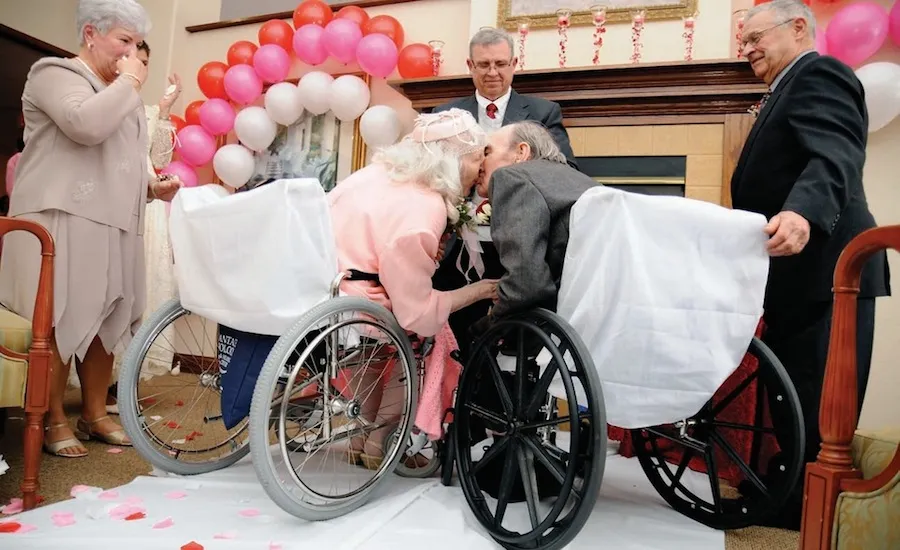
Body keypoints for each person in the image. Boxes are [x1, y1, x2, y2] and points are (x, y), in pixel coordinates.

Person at [732, 0, 890, 529]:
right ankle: (792, 498)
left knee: (820, 404)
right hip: (795, 278)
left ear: (798, 27)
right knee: (795, 396)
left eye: (754, 37)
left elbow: (837, 152)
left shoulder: (820, 72)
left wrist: (803, 210)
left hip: (829, 271)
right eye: (742, 41)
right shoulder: (781, 89)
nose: (746, 48)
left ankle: (811, 512)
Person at [0, 0, 182, 458]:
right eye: (124, 41)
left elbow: (119, 165)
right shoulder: (53, 74)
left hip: (116, 223)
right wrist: (129, 82)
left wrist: (150, 189)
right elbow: (84, 126)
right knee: (63, 317)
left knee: (107, 319)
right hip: (62, 218)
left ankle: (95, 412)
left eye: (137, 45)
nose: (133, 53)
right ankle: (54, 416)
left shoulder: (122, 91)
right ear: (90, 35)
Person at [327, 108, 498, 468]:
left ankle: (358, 438)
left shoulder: (371, 175)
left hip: (328, 294)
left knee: (378, 349)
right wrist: (482, 290)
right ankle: (379, 443)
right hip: (363, 305)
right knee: (428, 339)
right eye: (474, 160)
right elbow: (417, 311)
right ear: (450, 162)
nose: (479, 171)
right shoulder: (425, 205)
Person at [432, 27, 578, 356]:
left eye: (500, 63)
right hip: (457, 247)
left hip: (519, 241)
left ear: (514, 63)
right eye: (483, 65)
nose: (492, 72)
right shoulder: (443, 114)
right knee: (456, 337)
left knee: (510, 341)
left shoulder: (543, 113)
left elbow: (563, 170)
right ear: (470, 65)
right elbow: (429, 177)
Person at [103, 39, 183, 415]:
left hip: (147, 206)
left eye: (146, 61)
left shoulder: (147, 112)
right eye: (135, 58)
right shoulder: (101, 103)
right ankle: (98, 386)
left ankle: (124, 382)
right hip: (113, 203)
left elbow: (159, 159)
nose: (141, 67)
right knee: (107, 292)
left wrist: (165, 111)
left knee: (143, 294)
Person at [473, 121, 600, 325]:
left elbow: (526, 284)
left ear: (521, 152)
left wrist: (488, 324)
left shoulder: (511, 176)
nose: (479, 164)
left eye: (487, 153)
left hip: (555, 325)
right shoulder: (585, 182)